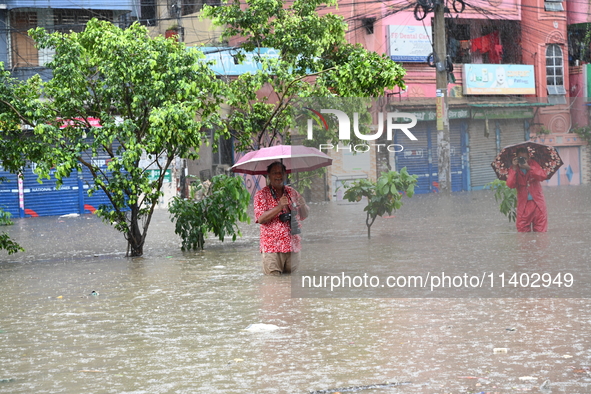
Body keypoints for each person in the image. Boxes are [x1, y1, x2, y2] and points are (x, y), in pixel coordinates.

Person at [253, 161, 309, 275]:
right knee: (273, 284)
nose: (278, 176)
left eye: (281, 173)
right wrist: (279, 207)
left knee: (292, 281)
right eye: (275, 173)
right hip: (272, 248)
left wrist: (303, 205)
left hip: (292, 246)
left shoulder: (291, 192)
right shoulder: (261, 195)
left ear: (285, 175)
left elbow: (304, 215)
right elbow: (261, 219)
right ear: (269, 175)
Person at [506, 147, 548, 232]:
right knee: (522, 230)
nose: (522, 160)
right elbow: (510, 184)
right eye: (520, 158)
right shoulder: (514, 168)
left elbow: (543, 176)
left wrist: (529, 167)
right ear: (516, 158)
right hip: (524, 204)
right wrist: (514, 168)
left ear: (528, 157)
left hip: (538, 203)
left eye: (524, 158)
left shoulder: (533, 164)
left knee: (541, 232)